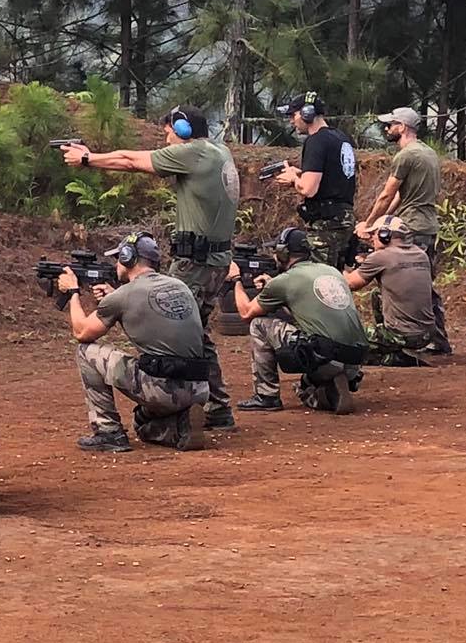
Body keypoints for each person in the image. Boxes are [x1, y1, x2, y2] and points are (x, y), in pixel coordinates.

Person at [60, 105, 239, 431]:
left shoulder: (194, 152)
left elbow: (130, 161)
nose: (166, 138)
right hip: (215, 260)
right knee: (196, 331)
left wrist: (88, 159)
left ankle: (179, 408)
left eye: (168, 131)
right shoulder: (220, 151)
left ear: (183, 130)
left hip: (195, 263)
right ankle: (216, 406)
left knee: (171, 328)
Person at [58, 233, 211, 454]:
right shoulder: (180, 286)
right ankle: (180, 427)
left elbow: (82, 332)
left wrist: (73, 292)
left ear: (129, 258)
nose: (116, 263)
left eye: (119, 257)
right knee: (142, 423)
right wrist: (115, 297)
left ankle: (108, 431)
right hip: (199, 389)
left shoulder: (123, 295)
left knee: (86, 352)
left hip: (162, 389)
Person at [229, 227, 369, 413]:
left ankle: (266, 396)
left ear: (283, 252)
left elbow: (246, 313)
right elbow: (301, 305)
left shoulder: (286, 280)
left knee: (259, 324)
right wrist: (274, 289)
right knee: (306, 383)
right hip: (355, 359)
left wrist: (236, 280)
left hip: (324, 356)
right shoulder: (331, 271)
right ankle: (333, 384)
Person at [358, 105, 451, 356]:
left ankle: (400, 338)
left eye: (391, 124)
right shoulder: (429, 153)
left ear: (403, 127)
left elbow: (388, 193)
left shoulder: (405, 156)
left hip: (412, 226)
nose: (387, 128)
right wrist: (383, 220)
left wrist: (369, 223)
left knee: (403, 285)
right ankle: (438, 338)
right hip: (428, 224)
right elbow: (402, 194)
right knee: (424, 283)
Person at [271, 91, 358, 269]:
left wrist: (295, 178)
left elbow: (309, 189)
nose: (291, 121)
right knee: (336, 279)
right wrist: (303, 173)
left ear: (307, 113)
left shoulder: (316, 141)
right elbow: (333, 178)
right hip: (344, 221)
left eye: (293, 115)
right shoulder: (341, 138)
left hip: (326, 225)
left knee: (319, 280)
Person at [346, 217, 435, 366]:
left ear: (384, 235)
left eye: (374, 234)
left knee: (347, 337)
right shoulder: (421, 254)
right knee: (377, 293)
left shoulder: (381, 257)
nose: (372, 239)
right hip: (428, 333)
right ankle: (393, 347)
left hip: (403, 335)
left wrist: (344, 267)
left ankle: (394, 357)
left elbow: (350, 284)